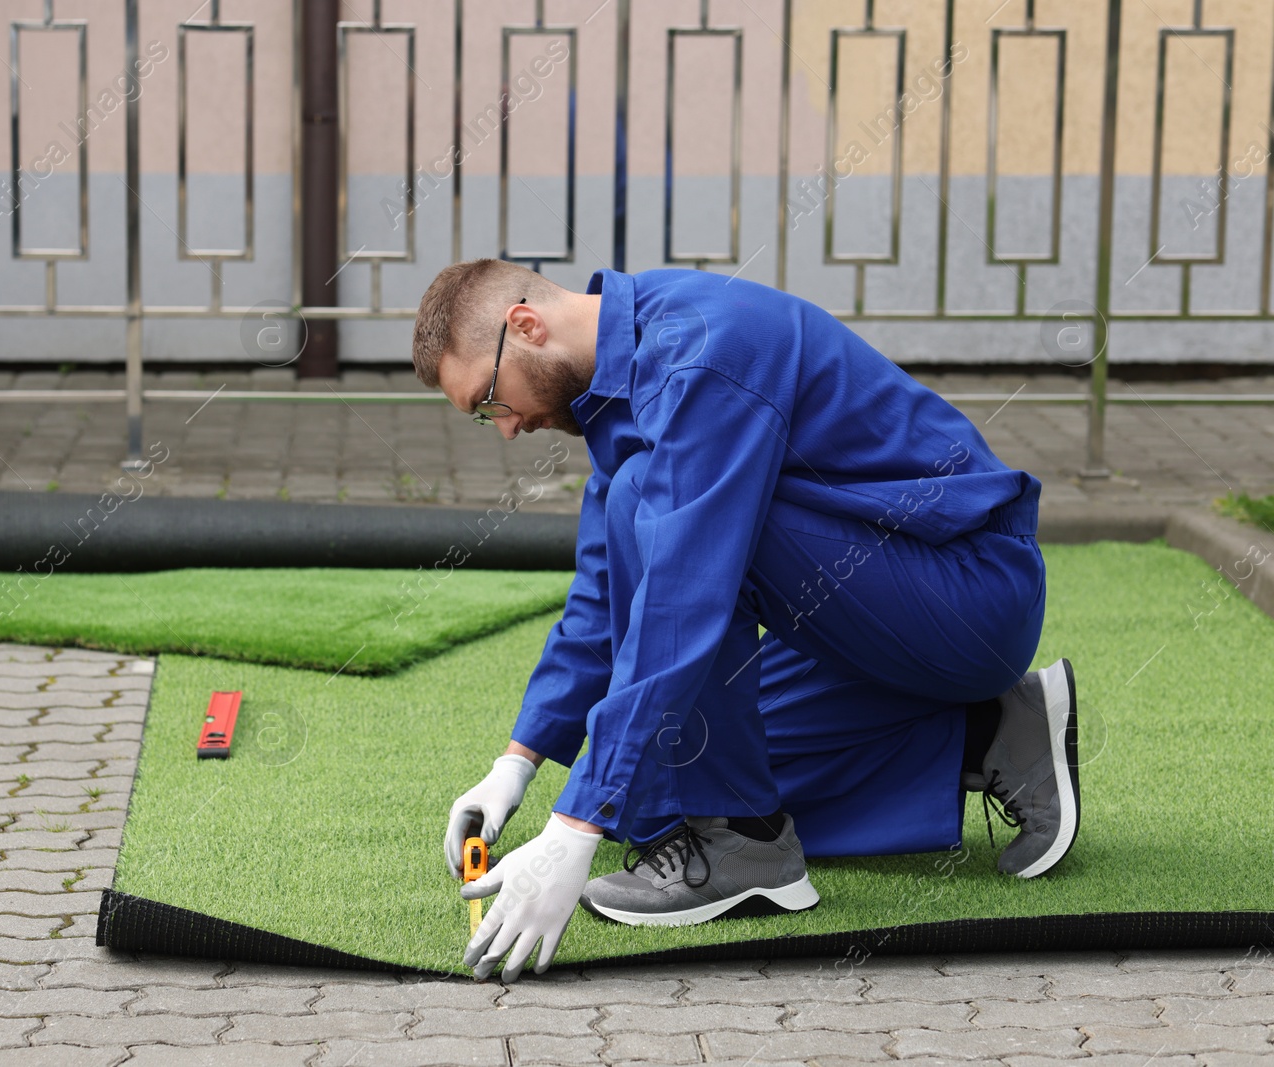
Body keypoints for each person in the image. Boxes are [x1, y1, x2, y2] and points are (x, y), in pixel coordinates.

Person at [413, 259, 1081, 984]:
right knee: (665, 786)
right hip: (883, 610)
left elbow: (682, 589)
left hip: (970, 592)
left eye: (488, 400)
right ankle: (988, 730)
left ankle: (748, 841)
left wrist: (573, 825)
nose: (506, 429)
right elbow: (602, 589)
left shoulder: (701, 349)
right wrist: (517, 763)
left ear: (526, 326)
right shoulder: (617, 372)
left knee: (666, 517)